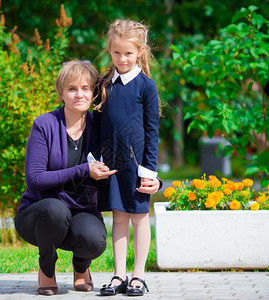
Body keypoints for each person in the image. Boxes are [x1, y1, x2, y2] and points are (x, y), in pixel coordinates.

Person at [14, 60, 117, 296]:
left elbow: (119, 164)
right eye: (72, 88)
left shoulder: (100, 127)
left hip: (84, 210)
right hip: (40, 215)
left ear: (94, 93)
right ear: (61, 93)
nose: (79, 94)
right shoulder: (44, 124)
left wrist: (152, 179)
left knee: (93, 240)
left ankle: (81, 268)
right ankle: (46, 270)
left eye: (85, 88)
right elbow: (35, 180)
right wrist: (84, 170)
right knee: (54, 209)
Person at [91, 19, 161, 297]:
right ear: (110, 51)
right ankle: (119, 274)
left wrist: (149, 170)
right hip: (112, 164)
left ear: (140, 52)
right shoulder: (105, 83)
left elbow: (152, 131)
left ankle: (138, 277)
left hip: (138, 166)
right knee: (119, 217)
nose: (122, 59)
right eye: (117, 53)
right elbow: (96, 126)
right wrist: (94, 159)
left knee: (140, 218)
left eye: (128, 53)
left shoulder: (146, 87)